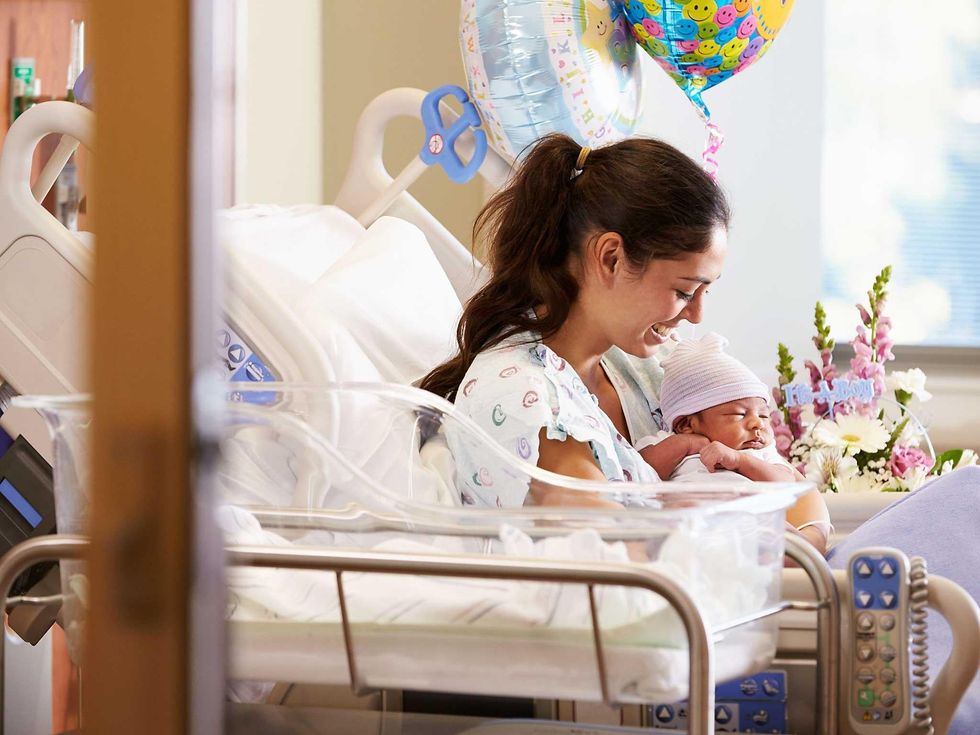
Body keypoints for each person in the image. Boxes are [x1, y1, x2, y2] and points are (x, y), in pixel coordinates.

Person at [420, 133, 728, 508]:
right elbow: (616, 553)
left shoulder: (648, 369)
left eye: (705, 293)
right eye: (684, 291)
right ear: (611, 257)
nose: (696, 315)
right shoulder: (522, 395)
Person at [636, 332, 832, 553]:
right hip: (697, 524)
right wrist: (685, 445)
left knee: (791, 543)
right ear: (686, 424)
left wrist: (739, 461)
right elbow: (641, 471)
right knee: (680, 512)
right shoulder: (670, 442)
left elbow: (785, 484)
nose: (757, 424)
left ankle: (796, 558)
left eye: (764, 415)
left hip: (755, 523)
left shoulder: (760, 453)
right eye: (740, 415)